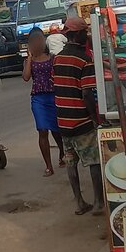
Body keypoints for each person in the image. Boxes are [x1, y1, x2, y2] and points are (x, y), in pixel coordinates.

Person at [53, 17, 103, 216]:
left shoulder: (58, 58)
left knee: (70, 161)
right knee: (93, 162)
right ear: (79, 34)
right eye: (85, 32)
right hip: (81, 120)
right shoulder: (84, 59)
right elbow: (87, 93)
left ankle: (80, 202)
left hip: (63, 121)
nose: (87, 35)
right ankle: (98, 202)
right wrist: (94, 118)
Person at [23, 28, 64, 177]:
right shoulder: (29, 61)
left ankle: (62, 152)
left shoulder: (52, 58)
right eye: (33, 41)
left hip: (53, 96)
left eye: (39, 40)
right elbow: (26, 77)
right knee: (42, 130)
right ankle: (48, 165)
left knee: (57, 130)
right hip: (38, 99)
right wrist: (29, 58)